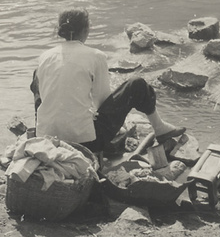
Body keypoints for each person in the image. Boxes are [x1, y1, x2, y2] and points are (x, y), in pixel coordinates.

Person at [30, 9, 185, 153]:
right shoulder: (96, 56)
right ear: (86, 30)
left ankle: (43, 128)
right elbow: (102, 101)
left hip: (47, 140)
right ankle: (159, 127)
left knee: (37, 76)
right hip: (87, 143)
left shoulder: (45, 56)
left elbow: (45, 97)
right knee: (136, 84)